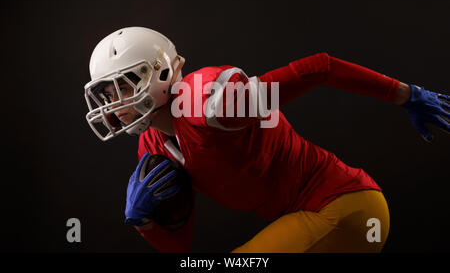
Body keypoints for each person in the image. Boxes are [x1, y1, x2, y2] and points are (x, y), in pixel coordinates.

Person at [84, 27, 449, 252]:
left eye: (121, 86)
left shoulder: (210, 104)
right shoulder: (152, 145)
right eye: (104, 94)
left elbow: (320, 67)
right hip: (310, 220)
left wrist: (406, 94)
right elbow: (182, 245)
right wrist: (146, 222)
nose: (112, 103)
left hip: (346, 207)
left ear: (160, 72)